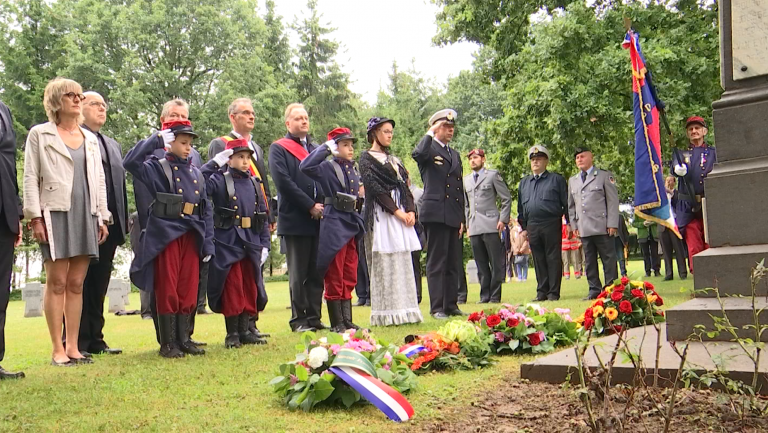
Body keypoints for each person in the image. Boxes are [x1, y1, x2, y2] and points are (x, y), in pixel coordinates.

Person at [23, 77, 110, 366]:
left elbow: (98, 179)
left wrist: (102, 215)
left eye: (79, 95)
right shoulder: (40, 134)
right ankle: (57, 349)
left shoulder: (92, 140)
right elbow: (30, 177)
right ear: (55, 101)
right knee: (57, 281)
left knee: (76, 282)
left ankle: (73, 347)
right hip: (55, 211)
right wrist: (34, 217)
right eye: (69, 95)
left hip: (86, 213)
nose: (76, 99)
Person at [124, 119, 214, 358]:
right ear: (169, 143)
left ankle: (184, 338)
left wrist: (208, 242)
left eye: (189, 143)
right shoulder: (158, 166)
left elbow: (206, 208)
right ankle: (168, 342)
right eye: (182, 142)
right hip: (167, 232)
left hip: (192, 231)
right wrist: (154, 139)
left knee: (187, 286)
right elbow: (130, 162)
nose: (188, 148)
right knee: (168, 287)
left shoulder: (196, 172)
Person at [207, 98, 274, 337]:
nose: (251, 116)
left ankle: (249, 326)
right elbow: (211, 181)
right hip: (230, 233)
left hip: (252, 231)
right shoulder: (220, 147)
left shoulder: (256, 156)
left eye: (253, 112)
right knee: (233, 282)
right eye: (245, 112)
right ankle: (235, 330)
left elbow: (262, 189)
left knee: (251, 280)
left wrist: (267, 223)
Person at [76, 91, 127, 356]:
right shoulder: (75, 138)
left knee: (99, 284)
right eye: (95, 104)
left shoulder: (112, 144)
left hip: (112, 224)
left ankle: (96, 338)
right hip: (85, 221)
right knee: (80, 283)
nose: (102, 109)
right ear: (80, 107)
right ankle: (76, 341)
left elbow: (117, 184)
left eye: (105, 105)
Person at [300, 128, 366, 332]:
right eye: (345, 144)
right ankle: (337, 322)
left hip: (351, 222)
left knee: (349, 271)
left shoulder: (353, 169)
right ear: (335, 147)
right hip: (335, 222)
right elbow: (305, 166)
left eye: (351, 144)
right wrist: (324, 149)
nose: (350, 148)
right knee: (335, 273)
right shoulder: (327, 167)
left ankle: (346, 319)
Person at [360, 117, 423, 325]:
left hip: (401, 216)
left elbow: (405, 187)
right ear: (374, 133)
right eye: (385, 131)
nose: (389, 135)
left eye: (391, 132)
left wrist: (411, 210)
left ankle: (406, 310)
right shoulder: (366, 158)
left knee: (403, 260)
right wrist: (398, 212)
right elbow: (375, 190)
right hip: (382, 217)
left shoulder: (395, 160)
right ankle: (387, 312)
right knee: (384, 262)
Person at [269, 103, 325, 332]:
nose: (304, 121)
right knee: (298, 273)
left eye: (306, 117)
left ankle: (314, 317)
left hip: (320, 219)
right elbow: (284, 183)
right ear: (288, 123)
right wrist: (310, 205)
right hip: (295, 219)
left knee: (316, 271)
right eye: (298, 118)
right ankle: (299, 319)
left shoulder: (316, 148)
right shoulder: (279, 148)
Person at [412, 109, 466, 319]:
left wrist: (461, 218)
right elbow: (417, 154)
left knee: (453, 261)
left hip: (452, 214)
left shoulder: (454, 155)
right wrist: (429, 133)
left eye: (452, 128)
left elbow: (458, 189)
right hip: (435, 213)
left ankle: (451, 304)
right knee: (436, 261)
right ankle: (437, 307)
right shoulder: (429, 149)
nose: (450, 131)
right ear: (436, 127)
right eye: (445, 127)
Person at [517, 146, 569, 301]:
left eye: (539, 159)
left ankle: (553, 292)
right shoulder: (524, 182)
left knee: (553, 257)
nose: (535, 162)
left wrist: (570, 222)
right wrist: (524, 227)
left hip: (551, 222)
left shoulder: (556, 179)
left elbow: (565, 203)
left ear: (546, 161)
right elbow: (521, 207)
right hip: (532, 224)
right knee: (538, 259)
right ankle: (541, 291)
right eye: (533, 160)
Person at [568, 147, 619, 300]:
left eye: (582, 156)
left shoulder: (604, 176)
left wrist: (612, 223)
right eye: (577, 157)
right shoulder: (573, 180)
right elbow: (571, 206)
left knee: (608, 259)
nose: (579, 160)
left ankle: (611, 289)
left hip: (602, 226)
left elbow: (612, 202)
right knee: (589, 261)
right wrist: (574, 225)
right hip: (584, 228)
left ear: (591, 157)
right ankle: (594, 289)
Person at [463, 148, 511, 304]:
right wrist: (467, 225)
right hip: (475, 226)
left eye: (476, 158)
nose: (473, 161)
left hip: (491, 224)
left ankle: (495, 295)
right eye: (470, 158)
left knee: (496, 263)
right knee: (481, 263)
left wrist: (503, 220)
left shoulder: (492, 175)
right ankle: (484, 295)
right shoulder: (466, 180)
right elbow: (466, 205)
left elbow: (506, 199)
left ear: (483, 159)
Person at [672, 116, 716, 273]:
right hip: (689, 206)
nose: (694, 131)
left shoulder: (713, 153)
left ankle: (715, 277)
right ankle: (699, 277)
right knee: (694, 246)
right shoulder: (681, 154)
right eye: (690, 129)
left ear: (704, 131)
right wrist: (678, 169)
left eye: (697, 128)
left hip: (709, 205)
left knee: (711, 242)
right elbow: (675, 166)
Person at [0, 100, 24, 379]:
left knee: (1, 293)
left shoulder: (4, 109)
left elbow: (9, 164)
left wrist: (16, 212)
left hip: (4, 212)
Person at [660, 175, 688, 280]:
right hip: (663, 225)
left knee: (678, 249)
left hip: (674, 224)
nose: (668, 182)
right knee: (666, 251)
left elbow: (678, 204)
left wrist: (671, 193)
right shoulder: (661, 195)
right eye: (667, 180)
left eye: (671, 181)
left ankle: (682, 272)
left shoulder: (677, 194)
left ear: (674, 182)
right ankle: (669, 273)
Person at [408, 178, 426, 304]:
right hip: (405, 232)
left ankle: (417, 295)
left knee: (415, 265)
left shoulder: (418, 193)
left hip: (417, 231)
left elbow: (422, 216)